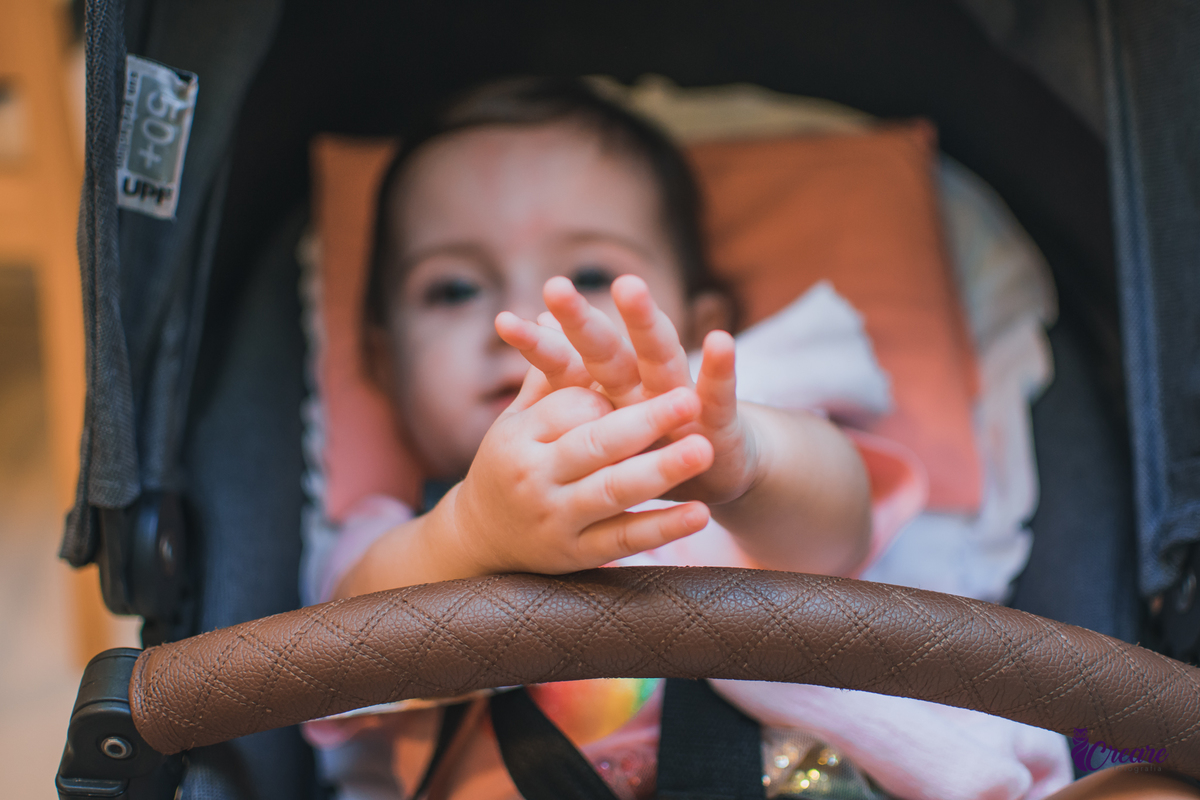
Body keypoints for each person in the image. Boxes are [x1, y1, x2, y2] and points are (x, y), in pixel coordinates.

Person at [306, 77, 1073, 800]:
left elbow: (840, 533)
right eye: (453, 288)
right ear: (382, 359)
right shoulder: (400, 535)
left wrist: (747, 461)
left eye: (591, 273)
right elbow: (336, 662)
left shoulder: (734, 463)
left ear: (702, 325)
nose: (533, 318)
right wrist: (469, 531)